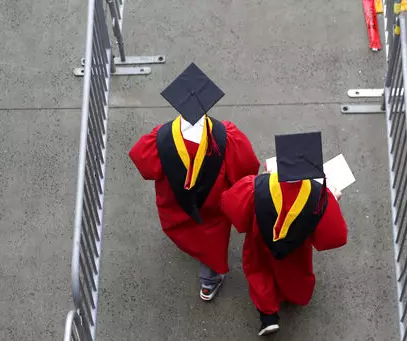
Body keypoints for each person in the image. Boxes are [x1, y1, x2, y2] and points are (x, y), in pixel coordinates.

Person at [129, 63, 260, 301]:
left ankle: (193, 251)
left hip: (175, 207)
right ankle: (209, 283)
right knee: (211, 246)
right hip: (212, 212)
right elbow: (247, 170)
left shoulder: (159, 138)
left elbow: (144, 165)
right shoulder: (227, 137)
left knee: (187, 234)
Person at [220, 132, 348, 336]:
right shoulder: (321, 196)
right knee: (294, 273)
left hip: (258, 243)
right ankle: (294, 297)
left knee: (259, 272)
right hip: (296, 251)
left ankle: (268, 317)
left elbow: (230, 206)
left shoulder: (255, 187)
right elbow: (335, 237)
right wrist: (330, 201)